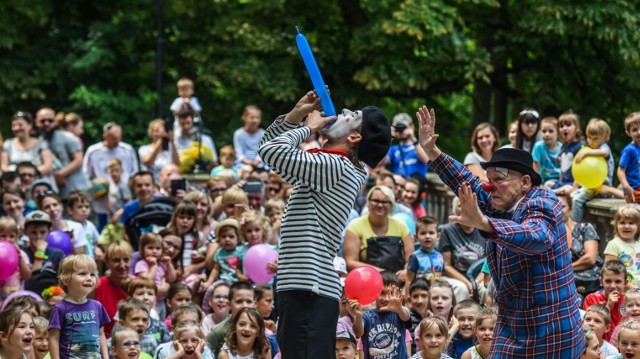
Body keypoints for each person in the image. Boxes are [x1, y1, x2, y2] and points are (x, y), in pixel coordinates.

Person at [416, 105, 585, 356]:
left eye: (498, 179)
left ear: (525, 182)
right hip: (512, 323)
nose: (489, 186)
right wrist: (432, 150)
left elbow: (536, 235)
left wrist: (484, 225)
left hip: (551, 329)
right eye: (489, 178)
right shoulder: (498, 198)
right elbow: (465, 180)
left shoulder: (543, 202)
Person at [257, 90, 391, 358]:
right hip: (305, 287)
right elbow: (271, 151)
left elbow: (270, 151)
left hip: (309, 289)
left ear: (354, 137)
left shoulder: (335, 167)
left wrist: (307, 127)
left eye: (351, 116)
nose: (340, 112)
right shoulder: (331, 166)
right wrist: (295, 116)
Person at [48, 255, 110, 359]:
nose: (89, 278)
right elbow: (53, 338)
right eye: (82, 274)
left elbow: (101, 335)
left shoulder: (97, 306)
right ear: (66, 280)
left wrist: (106, 357)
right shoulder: (60, 309)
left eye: (92, 274)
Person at [343, 186, 414, 277]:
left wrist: (406, 271)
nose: (380, 205)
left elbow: (410, 260)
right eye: (376, 201)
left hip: (397, 280)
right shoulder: (355, 226)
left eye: (385, 202)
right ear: (368, 203)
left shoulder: (401, 226)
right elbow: (350, 262)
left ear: (392, 205)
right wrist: (383, 273)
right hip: (366, 278)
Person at [571, 118, 621, 222]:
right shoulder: (591, 149)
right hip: (591, 186)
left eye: (595, 138)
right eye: (589, 137)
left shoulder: (603, 147)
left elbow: (605, 153)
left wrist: (585, 153)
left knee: (577, 200)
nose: (591, 141)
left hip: (602, 186)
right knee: (572, 196)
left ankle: (575, 225)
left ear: (605, 138)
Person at [35, 108, 90, 199]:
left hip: (79, 190)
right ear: (36, 122)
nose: (47, 123)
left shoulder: (67, 137)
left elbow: (79, 160)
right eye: (43, 121)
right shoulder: (37, 143)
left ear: (55, 122)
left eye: (50, 120)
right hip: (58, 194)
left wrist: (60, 174)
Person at [438, 197, 485, 302]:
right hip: (455, 278)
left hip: (479, 277)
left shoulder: (483, 230)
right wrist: (468, 283)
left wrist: (475, 283)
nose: (465, 207)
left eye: (468, 204)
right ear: (455, 210)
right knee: (461, 288)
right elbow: (446, 266)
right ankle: (460, 317)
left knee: (485, 289)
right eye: (460, 205)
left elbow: (488, 263)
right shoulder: (448, 231)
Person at [558, 193, 603, 298]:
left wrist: (565, 269)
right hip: (568, 284)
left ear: (570, 208)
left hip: (592, 280)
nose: (558, 210)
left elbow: (590, 259)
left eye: (562, 206)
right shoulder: (551, 234)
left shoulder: (584, 228)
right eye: (555, 207)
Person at [360, 271, 410, 359]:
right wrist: (357, 315)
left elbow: (407, 317)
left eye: (391, 293)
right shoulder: (367, 316)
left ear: (398, 293)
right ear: (374, 292)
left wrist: (400, 309)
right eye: (382, 293)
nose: (386, 298)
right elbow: (358, 332)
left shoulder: (399, 313)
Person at [205, 281, 255, 357]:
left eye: (249, 301)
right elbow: (204, 352)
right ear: (229, 304)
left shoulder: (259, 327)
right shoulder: (219, 332)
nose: (244, 305)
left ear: (255, 304)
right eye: (239, 301)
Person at [95, 240, 133, 338]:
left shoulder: (140, 285)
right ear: (107, 262)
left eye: (126, 260)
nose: (122, 265)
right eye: (116, 260)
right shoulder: (97, 286)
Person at [583, 260, 627, 341]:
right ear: (601, 281)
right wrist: (608, 307)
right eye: (608, 281)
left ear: (625, 282)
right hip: (598, 345)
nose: (613, 286)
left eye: (618, 281)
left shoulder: (629, 301)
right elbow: (587, 329)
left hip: (625, 346)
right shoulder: (591, 299)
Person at [1, 111, 53, 178]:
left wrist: (29, 175)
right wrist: (19, 176)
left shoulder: (41, 143)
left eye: (20, 125)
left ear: (30, 126)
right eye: (14, 125)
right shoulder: (8, 144)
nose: (17, 128)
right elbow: (3, 166)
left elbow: (48, 166)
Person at [404, 216, 444, 295]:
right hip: (420, 295)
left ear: (438, 236)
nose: (427, 236)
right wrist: (408, 297)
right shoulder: (415, 257)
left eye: (431, 233)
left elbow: (440, 276)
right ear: (416, 237)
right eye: (423, 233)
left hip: (436, 294)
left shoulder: (439, 256)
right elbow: (409, 279)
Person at [604, 205, 640, 287]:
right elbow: (610, 273)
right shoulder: (614, 245)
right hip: (623, 288)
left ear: (638, 226)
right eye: (622, 223)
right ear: (616, 225)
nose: (626, 226)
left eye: (631, 223)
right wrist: (635, 289)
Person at [384, 112, 429, 177]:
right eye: (398, 127)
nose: (400, 130)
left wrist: (412, 137)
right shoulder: (393, 149)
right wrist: (390, 137)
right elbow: (381, 162)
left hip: (417, 184)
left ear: (411, 126)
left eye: (403, 127)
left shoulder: (421, 146)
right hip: (399, 186)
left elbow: (426, 161)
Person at [553, 111, 583, 194]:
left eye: (568, 125)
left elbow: (581, 170)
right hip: (563, 183)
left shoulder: (580, 146)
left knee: (566, 189)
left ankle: (553, 192)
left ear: (577, 128)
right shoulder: (563, 146)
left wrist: (575, 187)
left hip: (573, 184)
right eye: (561, 126)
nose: (564, 128)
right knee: (548, 184)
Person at [233, 105, 266, 171]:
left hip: (260, 163)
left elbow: (263, 152)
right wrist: (249, 163)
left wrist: (256, 162)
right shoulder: (238, 134)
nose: (255, 120)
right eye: (252, 117)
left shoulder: (263, 133)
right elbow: (239, 153)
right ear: (244, 118)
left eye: (257, 118)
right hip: (242, 164)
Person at [531, 116, 561, 188]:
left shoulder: (562, 148)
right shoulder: (538, 147)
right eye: (544, 131)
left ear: (558, 133)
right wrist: (539, 185)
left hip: (559, 181)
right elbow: (536, 169)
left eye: (551, 131)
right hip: (543, 182)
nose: (547, 134)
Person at [618, 111, 640, 203]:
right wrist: (626, 186)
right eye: (634, 130)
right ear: (628, 133)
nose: (639, 132)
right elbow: (620, 171)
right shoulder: (629, 150)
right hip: (634, 190)